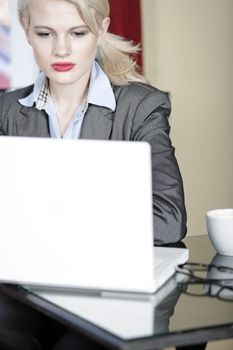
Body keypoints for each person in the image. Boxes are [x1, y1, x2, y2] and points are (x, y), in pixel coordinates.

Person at [0, 0, 187, 348]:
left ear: (100, 31)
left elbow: (168, 219)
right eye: (44, 33)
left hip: (109, 292)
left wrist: (51, 224)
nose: (61, 49)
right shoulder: (6, 112)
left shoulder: (141, 108)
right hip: (24, 288)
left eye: (77, 33)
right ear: (26, 32)